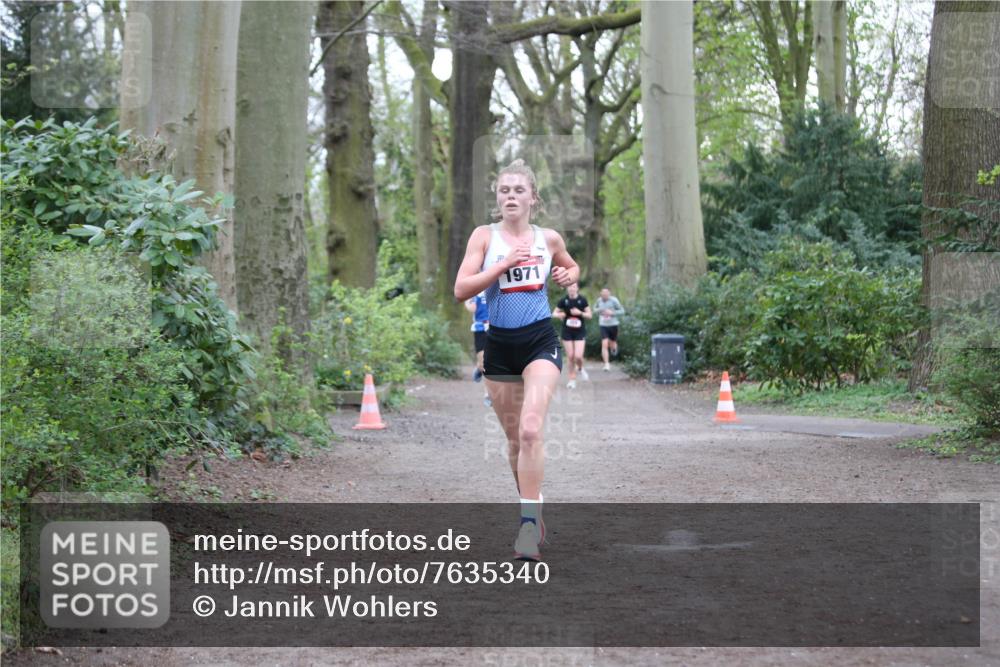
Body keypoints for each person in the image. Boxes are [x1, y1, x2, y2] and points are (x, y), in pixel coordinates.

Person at [454, 159, 579, 561]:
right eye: (504, 190)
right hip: (499, 345)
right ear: (497, 198)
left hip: (540, 340)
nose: (511, 195)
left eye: (518, 190)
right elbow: (460, 289)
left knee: (529, 431)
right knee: (514, 441)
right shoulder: (484, 237)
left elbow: (571, 266)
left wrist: (569, 276)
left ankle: (527, 527)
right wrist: (504, 264)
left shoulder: (549, 239)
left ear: (533, 198)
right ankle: (532, 504)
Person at [552, 283, 591, 389]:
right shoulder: (563, 300)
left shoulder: (582, 300)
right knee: (570, 356)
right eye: (569, 287)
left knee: (578, 356)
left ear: (577, 288)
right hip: (567, 331)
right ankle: (572, 379)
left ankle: (580, 368)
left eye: (573, 287)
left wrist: (580, 313)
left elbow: (589, 315)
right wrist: (560, 314)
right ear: (567, 289)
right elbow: (554, 313)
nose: (571, 289)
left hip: (580, 331)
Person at [464, 291, 492, 406]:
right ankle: (479, 369)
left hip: (496, 328)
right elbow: (472, 308)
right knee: (483, 363)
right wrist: (467, 300)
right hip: (480, 328)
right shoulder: (477, 289)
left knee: (490, 363)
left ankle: (488, 394)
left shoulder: (499, 286)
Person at [594, 287, 625, 371]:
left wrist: (612, 313)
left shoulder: (614, 300)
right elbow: (594, 309)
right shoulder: (599, 301)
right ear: (601, 294)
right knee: (604, 343)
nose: (604, 296)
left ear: (609, 294)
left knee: (612, 343)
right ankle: (606, 364)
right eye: (603, 294)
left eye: (606, 294)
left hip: (613, 324)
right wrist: (599, 310)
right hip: (603, 325)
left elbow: (622, 311)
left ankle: (614, 348)